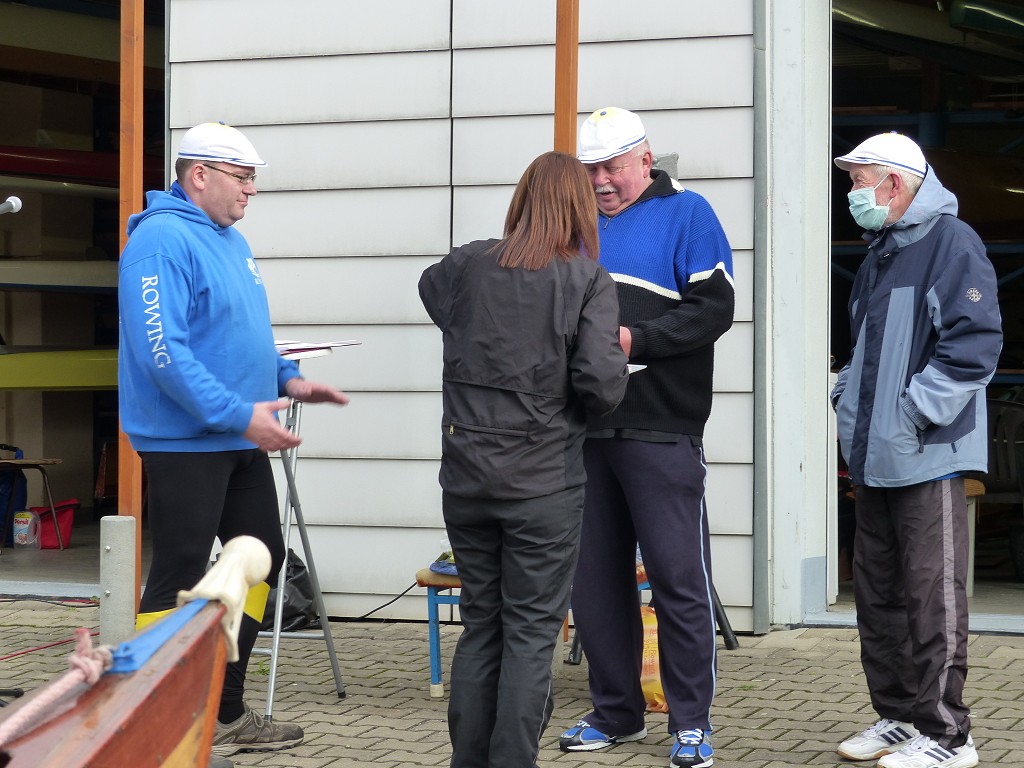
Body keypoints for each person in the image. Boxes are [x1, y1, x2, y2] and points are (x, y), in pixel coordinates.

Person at [118, 122, 350, 762]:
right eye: (242, 178)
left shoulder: (231, 240)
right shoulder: (160, 242)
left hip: (237, 435)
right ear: (199, 175)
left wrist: (288, 379)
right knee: (179, 574)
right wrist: (238, 414)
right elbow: (164, 354)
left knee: (260, 559)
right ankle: (156, 722)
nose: (251, 190)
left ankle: (222, 710)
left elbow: (243, 333)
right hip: (186, 442)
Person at [418, 150, 629, 768]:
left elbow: (430, 289)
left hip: (466, 478)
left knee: (482, 624)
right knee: (532, 635)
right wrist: (615, 356)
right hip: (542, 484)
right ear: (579, 209)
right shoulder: (587, 279)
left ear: (522, 201)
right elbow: (600, 386)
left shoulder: (467, 263)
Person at [558, 107, 735, 768]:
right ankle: (616, 712)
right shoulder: (572, 221)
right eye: (590, 169)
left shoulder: (689, 214)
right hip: (584, 429)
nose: (601, 181)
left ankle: (690, 723)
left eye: (612, 167)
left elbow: (714, 310)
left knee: (677, 579)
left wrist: (636, 340)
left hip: (662, 425)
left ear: (644, 158)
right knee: (594, 584)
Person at [831, 132, 1001, 768]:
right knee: (879, 599)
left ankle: (950, 737)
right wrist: (847, 396)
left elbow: (975, 345)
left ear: (895, 183)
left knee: (933, 599)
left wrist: (910, 414)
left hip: (927, 456)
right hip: (876, 458)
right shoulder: (882, 250)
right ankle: (900, 719)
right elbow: (866, 349)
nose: (854, 193)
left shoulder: (951, 243)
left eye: (860, 181)